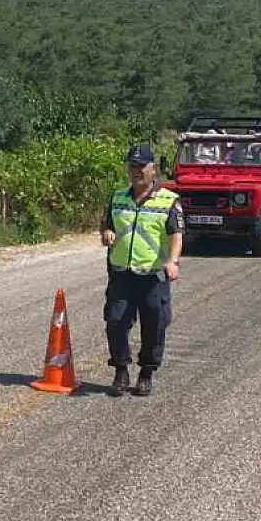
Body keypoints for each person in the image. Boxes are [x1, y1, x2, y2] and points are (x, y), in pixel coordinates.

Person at [99, 144, 184, 397]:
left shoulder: (169, 200)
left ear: (152, 169)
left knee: (154, 325)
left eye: (140, 166)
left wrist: (173, 261)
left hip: (153, 276)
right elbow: (106, 223)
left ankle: (146, 372)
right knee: (115, 322)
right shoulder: (117, 198)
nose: (135, 171)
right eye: (132, 166)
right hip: (122, 274)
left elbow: (177, 234)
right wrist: (106, 232)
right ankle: (121, 370)